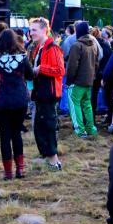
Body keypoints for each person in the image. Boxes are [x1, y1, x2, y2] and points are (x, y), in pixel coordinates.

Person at [0, 29, 35, 179]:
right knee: (16, 134)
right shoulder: (22, 57)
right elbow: (30, 75)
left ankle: (8, 173)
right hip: (20, 99)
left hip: (1, 99)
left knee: (4, 136)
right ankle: (20, 170)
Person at [29, 17, 64, 170]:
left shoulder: (52, 48)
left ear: (44, 30)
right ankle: (47, 157)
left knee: (48, 126)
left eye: (34, 30)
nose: (31, 33)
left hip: (48, 93)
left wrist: (40, 69)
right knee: (39, 127)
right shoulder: (39, 48)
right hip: (40, 93)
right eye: (30, 30)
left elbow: (60, 70)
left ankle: (53, 161)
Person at [66, 21, 100, 138]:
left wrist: (69, 81)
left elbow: (72, 66)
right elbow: (96, 63)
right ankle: (91, 129)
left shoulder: (76, 46)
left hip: (78, 82)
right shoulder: (93, 44)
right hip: (89, 80)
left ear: (78, 31)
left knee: (74, 105)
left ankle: (80, 130)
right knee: (87, 105)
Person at [92, 26, 113, 121]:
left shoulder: (92, 44)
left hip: (95, 73)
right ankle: (111, 116)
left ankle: (92, 118)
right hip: (105, 73)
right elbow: (110, 58)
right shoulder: (105, 44)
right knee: (108, 95)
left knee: (93, 95)